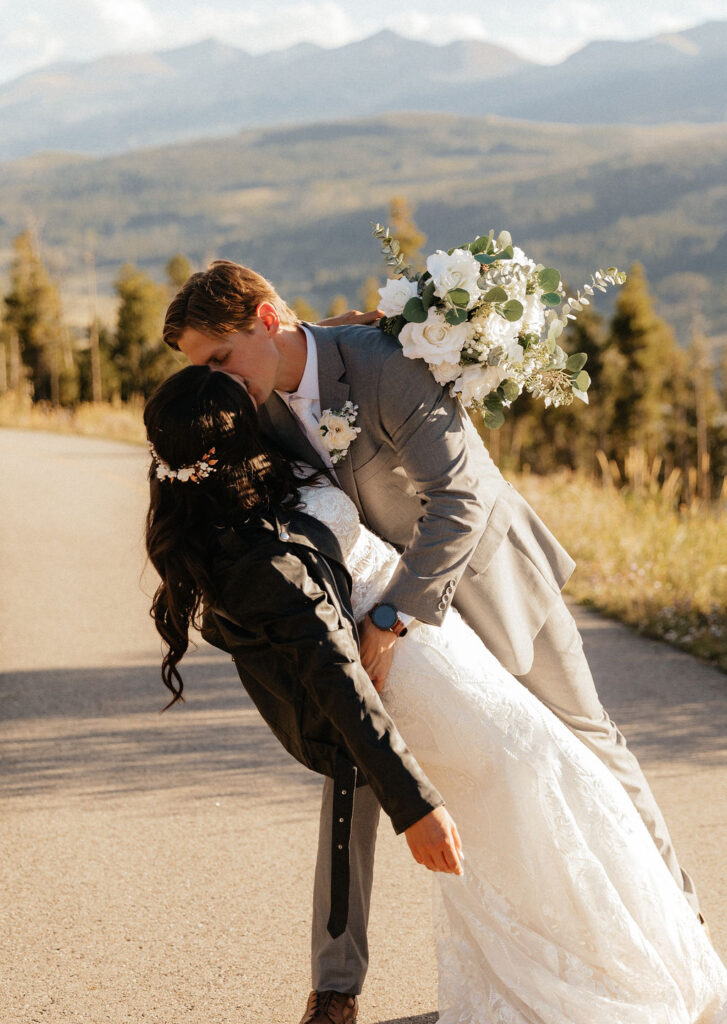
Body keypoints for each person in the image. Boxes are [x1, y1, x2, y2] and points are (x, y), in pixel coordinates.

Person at [161, 260, 708, 1023]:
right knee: (350, 761)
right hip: (372, 600)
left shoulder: (382, 365)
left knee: (587, 742)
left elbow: (463, 499)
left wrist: (391, 620)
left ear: (267, 317)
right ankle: (334, 986)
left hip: (484, 575)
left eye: (218, 359)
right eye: (201, 371)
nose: (218, 381)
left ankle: (682, 929)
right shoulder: (251, 405)